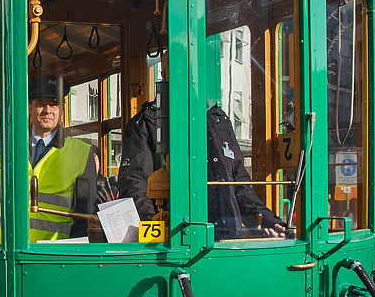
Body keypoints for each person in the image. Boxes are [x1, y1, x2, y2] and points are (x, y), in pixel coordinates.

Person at [118, 100, 286, 239]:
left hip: (224, 236)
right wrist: (154, 226)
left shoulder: (218, 119)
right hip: (175, 236)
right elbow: (136, 183)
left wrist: (265, 220)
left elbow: (238, 182)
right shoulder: (147, 122)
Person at [28, 76, 97, 242]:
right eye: (41, 104)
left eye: (54, 104)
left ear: (62, 110)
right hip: (11, 249)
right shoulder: (8, 146)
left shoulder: (82, 153)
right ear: (29, 107)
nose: (48, 110)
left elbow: (85, 215)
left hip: (55, 254)